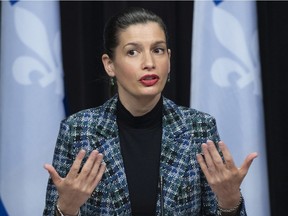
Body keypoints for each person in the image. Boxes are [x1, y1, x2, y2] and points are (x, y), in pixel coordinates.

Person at [43, 7, 257, 216]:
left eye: (158, 50)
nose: (149, 63)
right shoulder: (78, 131)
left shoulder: (198, 128)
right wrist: (66, 211)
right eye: (133, 52)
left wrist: (230, 203)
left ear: (169, 59)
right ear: (110, 65)